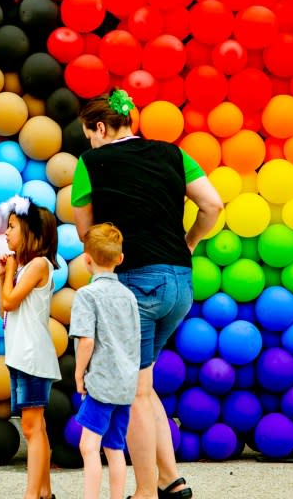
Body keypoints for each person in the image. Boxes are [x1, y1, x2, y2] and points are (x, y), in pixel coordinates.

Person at [72, 89, 224, 499]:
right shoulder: (174, 154)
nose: (90, 142)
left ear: (100, 127)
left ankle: (143, 491)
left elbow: (87, 233)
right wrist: (188, 243)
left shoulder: (91, 163)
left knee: (135, 391)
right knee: (145, 382)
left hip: (135, 283)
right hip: (180, 282)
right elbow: (212, 205)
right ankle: (169, 478)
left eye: (90, 134)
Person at [68, 223, 140, 499]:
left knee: (88, 446)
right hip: (125, 384)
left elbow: (86, 340)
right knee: (115, 447)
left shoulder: (87, 295)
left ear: (86, 259)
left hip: (101, 382)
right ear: (120, 259)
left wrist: (78, 373)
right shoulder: (129, 296)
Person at [0, 195, 61, 499]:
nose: (6, 233)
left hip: (32, 357)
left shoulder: (37, 264)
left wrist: (9, 271)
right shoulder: (26, 268)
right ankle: (44, 492)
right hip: (22, 355)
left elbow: (9, 301)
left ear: (33, 233)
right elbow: (5, 310)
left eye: (12, 227)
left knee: (32, 429)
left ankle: (32, 495)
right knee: (36, 428)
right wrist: (3, 276)